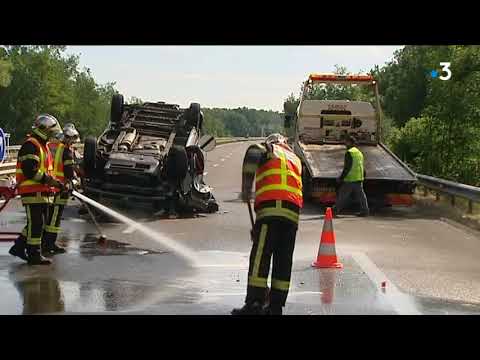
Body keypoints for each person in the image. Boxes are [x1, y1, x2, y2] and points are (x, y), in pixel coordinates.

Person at [232, 133, 303, 316]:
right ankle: (275, 306)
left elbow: (253, 152)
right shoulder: (295, 158)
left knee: (260, 257)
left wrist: (247, 187)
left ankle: (255, 303)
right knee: (283, 260)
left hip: (271, 209)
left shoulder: (271, 149)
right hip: (292, 214)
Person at [9, 114, 64, 265]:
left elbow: (46, 170)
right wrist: (49, 180)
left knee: (38, 223)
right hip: (31, 192)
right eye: (50, 132)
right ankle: (34, 254)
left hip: (41, 192)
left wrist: (55, 184)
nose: (52, 135)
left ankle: (19, 247)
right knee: (36, 223)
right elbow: (30, 170)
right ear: (43, 130)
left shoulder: (42, 145)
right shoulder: (31, 145)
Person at [43, 123, 81, 255]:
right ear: (68, 138)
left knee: (49, 217)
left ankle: (47, 243)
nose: (73, 143)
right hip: (60, 188)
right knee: (54, 218)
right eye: (72, 140)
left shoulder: (51, 146)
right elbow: (69, 172)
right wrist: (73, 182)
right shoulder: (66, 151)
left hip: (49, 186)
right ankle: (48, 245)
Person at [332, 135, 369, 217]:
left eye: (346, 142)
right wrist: (363, 175)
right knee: (361, 196)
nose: (345, 144)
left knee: (343, 195)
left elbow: (347, 167)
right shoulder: (359, 152)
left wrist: (341, 178)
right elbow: (361, 165)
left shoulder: (349, 153)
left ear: (349, 142)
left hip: (351, 178)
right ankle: (365, 211)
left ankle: (335, 211)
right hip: (359, 177)